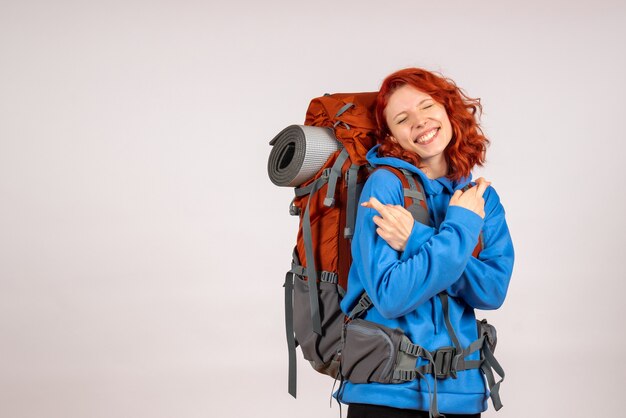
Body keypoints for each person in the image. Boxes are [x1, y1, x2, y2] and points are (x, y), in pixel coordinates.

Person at [337, 68, 515, 418]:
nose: (419, 122)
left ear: (449, 110)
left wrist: (418, 237)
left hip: (463, 393)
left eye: (427, 106)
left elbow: (492, 291)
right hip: (385, 394)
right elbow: (391, 297)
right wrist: (460, 229)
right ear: (391, 136)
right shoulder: (384, 187)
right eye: (403, 118)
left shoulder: (481, 199)